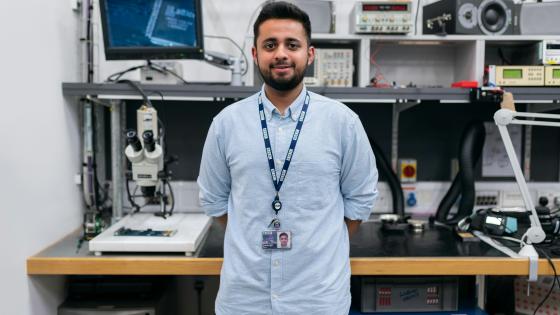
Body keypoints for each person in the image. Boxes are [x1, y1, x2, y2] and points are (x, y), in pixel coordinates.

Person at [197, 2, 378, 314]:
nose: (280, 53)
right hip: (245, 298)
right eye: (270, 45)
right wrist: (251, 238)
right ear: (255, 55)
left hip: (318, 297)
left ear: (309, 54)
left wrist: (316, 246)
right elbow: (214, 201)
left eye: (292, 44)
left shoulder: (342, 123)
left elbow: (360, 201)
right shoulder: (226, 124)